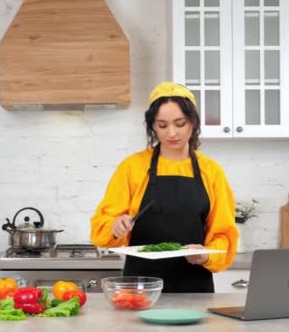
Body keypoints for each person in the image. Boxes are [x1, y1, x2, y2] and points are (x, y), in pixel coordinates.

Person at [90, 82, 238, 293]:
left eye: (180, 124)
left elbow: (224, 234)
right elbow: (101, 227)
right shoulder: (132, 167)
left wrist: (206, 255)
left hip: (194, 286)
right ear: (153, 126)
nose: (172, 133)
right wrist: (116, 225)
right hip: (139, 288)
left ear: (193, 122)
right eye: (162, 125)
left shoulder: (211, 171)